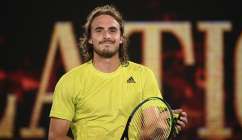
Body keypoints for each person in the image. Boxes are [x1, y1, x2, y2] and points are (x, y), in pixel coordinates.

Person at [48, 5, 188, 140]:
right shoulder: (69, 80)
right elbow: (56, 136)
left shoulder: (143, 76)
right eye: (99, 30)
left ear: (121, 38)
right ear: (89, 39)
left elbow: (149, 133)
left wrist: (163, 127)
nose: (106, 35)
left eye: (113, 30)